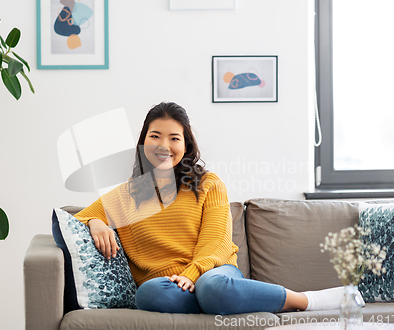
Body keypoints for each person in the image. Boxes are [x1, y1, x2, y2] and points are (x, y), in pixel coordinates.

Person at [74, 101, 364, 314]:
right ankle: (220, 303)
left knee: (212, 288)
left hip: (212, 272)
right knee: (148, 294)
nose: (164, 145)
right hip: (168, 287)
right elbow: (76, 218)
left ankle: (307, 300)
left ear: (185, 145)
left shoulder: (208, 184)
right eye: (155, 136)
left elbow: (215, 243)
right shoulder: (127, 195)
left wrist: (192, 274)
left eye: (174, 138)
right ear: (143, 142)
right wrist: (95, 223)